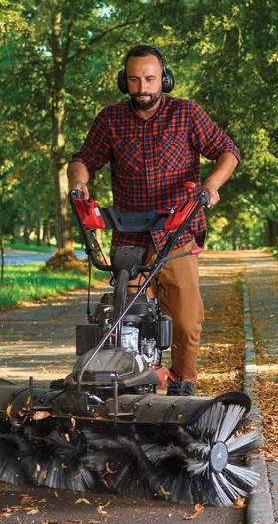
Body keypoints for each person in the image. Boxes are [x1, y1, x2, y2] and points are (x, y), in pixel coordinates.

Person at [67, 44, 240, 396]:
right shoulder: (110, 120)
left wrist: (211, 185)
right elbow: (83, 159)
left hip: (177, 233)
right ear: (124, 81)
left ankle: (182, 385)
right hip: (129, 239)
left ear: (165, 78)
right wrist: (79, 182)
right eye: (134, 80)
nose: (143, 88)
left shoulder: (187, 114)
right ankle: (128, 383)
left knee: (188, 321)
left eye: (149, 79)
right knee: (121, 319)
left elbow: (229, 151)